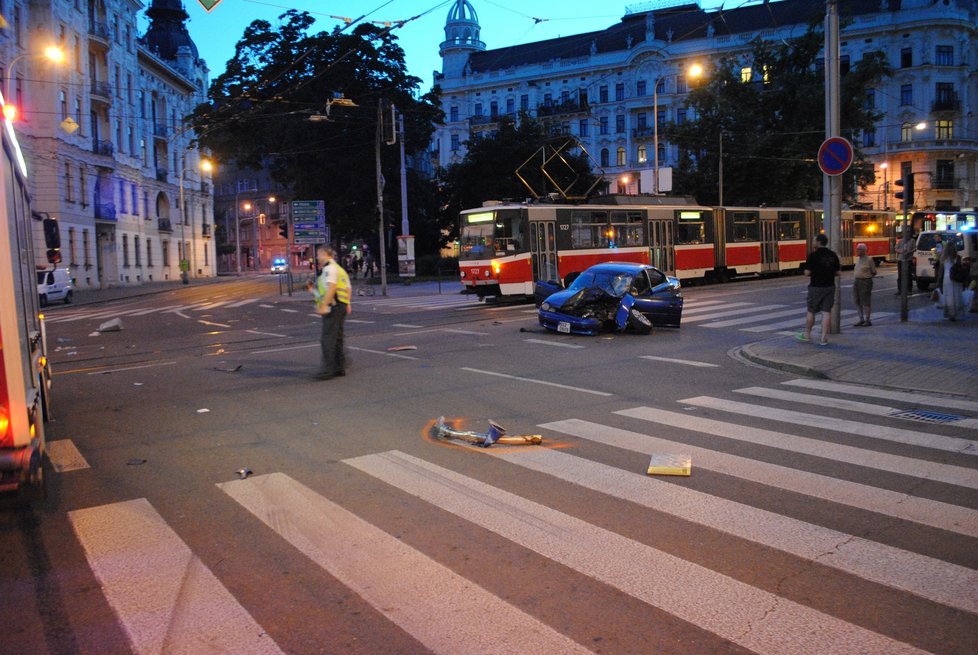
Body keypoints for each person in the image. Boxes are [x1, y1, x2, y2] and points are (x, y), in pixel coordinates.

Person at [307, 246, 352, 379]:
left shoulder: (329, 269)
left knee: (327, 339)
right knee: (337, 338)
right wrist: (347, 303)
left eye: (319, 255)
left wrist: (324, 306)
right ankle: (339, 367)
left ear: (326, 254)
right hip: (340, 306)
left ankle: (328, 370)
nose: (317, 258)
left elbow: (331, 288)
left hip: (333, 306)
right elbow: (348, 288)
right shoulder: (339, 269)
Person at [797, 233, 841, 346]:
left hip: (815, 287)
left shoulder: (813, 256)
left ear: (818, 242)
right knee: (826, 312)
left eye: (813, 240)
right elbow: (838, 272)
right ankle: (823, 337)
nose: (812, 242)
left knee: (811, 311)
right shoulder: (832, 255)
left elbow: (807, 273)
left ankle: (807, 334)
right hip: (829, 286)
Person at [852, 242, 877, 326]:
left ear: (863, 250)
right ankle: (861, 319)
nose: (857, 251)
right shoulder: (858, 259)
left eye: (858, 249)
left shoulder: (869, 259)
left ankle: (867, 320)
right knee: (857, 301)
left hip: (865, 281)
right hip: (857, 281)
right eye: (857, 249)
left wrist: (867, 277)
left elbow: (874, 272)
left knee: (865, 301)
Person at [941, 243, 965, 321]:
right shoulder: (957, 258)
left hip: (947, 278)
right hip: (955, 277)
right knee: (956, 295)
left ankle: (950, 312)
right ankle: (955, 312)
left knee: (948, 295)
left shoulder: (943, 258)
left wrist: (938, 282)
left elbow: (941, 271)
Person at [894, 227, 915, 295]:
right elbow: (896, 249)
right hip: (901, 260)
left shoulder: (912, 241)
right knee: (900, 275)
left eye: (908, 233)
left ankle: (909, 290)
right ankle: (900, 290)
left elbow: (914, 249)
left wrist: (909, 252)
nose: (907, 235)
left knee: (909, 275)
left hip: (908, 260)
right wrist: (901, 251)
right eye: (906, 233)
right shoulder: (900, 241)